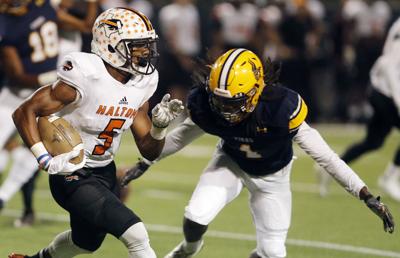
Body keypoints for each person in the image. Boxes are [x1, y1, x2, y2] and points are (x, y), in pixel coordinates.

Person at [121, 48, 394, 258]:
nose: (225, 109)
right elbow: (181, 137)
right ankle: (189, 248)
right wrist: (145, 162)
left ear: (255, 90)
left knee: (273, 252)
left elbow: (327, 158)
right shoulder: (206, 104)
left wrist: (365, 194)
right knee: (196, 215)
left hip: (273, 178)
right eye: (220, 100)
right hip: (231, 163)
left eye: (233, 102)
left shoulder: (279, 109)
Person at [9, 7, 184, 258]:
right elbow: (25, 112)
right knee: (136, 234)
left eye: (146, 45)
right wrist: (44, 159)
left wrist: (159, 127)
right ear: (111, 46)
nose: (145, 53)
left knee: (85, 243)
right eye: (137, 46)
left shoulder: (142, 82)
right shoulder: (85, 73)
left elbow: (149, 149)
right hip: (71, 173)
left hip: (105, 171)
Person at [317, 16, 400, 201]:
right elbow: (389, 66)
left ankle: (331, 168)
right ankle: (389, 178)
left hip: (385, 89)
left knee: (373, 142)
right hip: (384, 90)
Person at [0, 0, 59, 226]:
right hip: (16, 95)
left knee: (36, 151)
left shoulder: (43, 6)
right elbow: (15, 75)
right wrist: (50, 77)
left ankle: (4, 197)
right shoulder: (7, 24)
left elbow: (83, 25)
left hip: (43, 97)